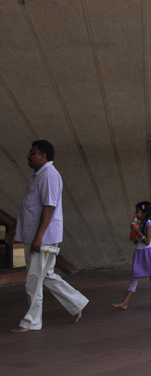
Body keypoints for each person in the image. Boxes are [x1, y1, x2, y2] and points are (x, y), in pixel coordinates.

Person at [7, 140, 89, 332]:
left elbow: (49, 207)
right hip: (37, 235)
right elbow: (31, 206)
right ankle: (76, 303)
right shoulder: (38, 175)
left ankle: (32, 321)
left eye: (32, 152)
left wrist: (39, 237)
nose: (28, 155)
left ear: (43, 156)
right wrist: (17, 227)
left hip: (42, 237)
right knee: (46, 275)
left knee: (34, 279)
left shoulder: (49, 175)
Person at [113, 201, 151, 310]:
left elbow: (147, 241)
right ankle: (125, 302)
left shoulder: (148, 225)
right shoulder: (141, 224)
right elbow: (141, 242)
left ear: (144, 213)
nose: (135, 214)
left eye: (138, 211)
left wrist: (137, 231)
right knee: (134, 276)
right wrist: (134, 239)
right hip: (140, 252)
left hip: (149, 254)